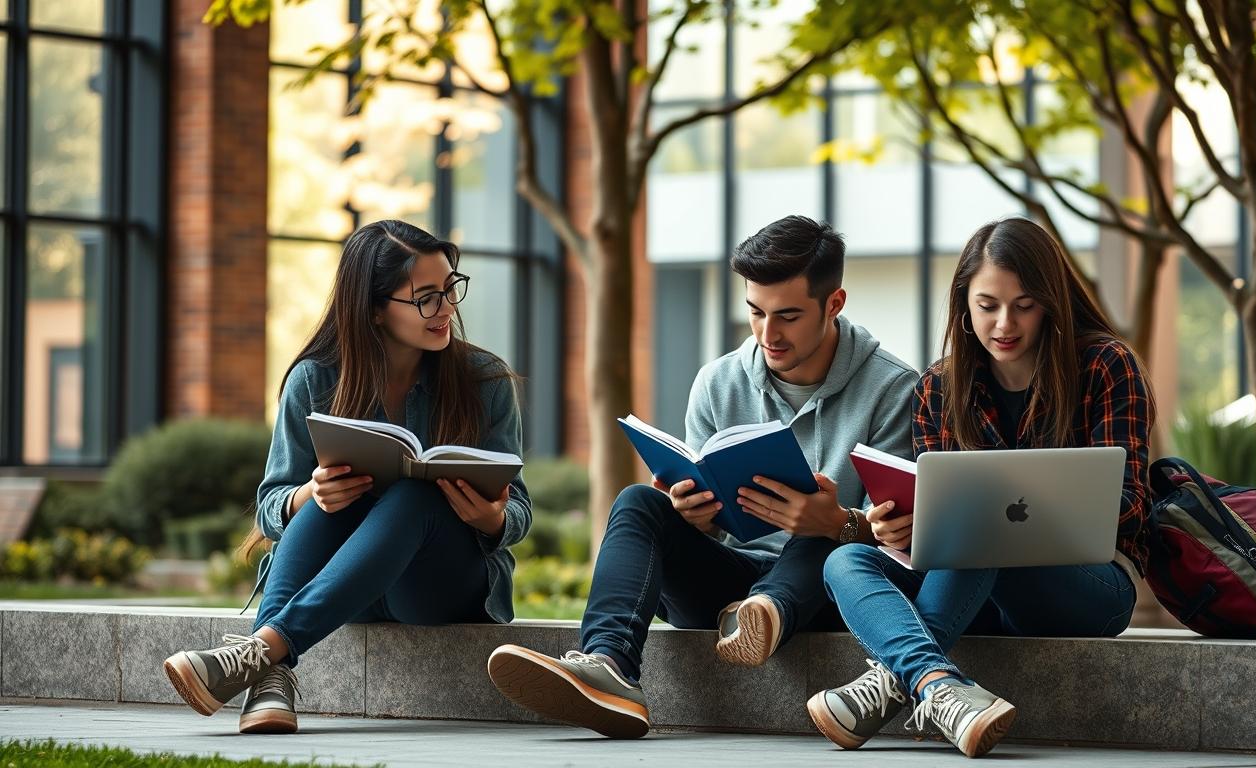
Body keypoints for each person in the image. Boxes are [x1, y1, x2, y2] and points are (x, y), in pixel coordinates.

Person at [487, 215, 920, 738]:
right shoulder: (718, 382)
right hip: (726, 599)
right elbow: (709, 522)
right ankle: (608, 669)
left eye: (787, 316)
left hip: (824, 595)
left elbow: (904, 545)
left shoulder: (894, 388)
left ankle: (766, 610)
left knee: (821, 538)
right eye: (755, 312)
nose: (767, 334)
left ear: (834, 303)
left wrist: (840, 523)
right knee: (637, 502)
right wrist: (692, 514)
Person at [162, 220, 531, 734]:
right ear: (375, 309)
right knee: (321, 502)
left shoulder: (485, 380)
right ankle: (270, 680)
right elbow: (272, 505)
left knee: (412, 496)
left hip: (435, 587)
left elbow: (520, 509)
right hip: (344, 582)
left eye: (450, 289)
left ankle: (262, 654)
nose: (447, 308)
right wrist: (309, 494)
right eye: (425, 297)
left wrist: (493, 519)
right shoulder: (315, 379)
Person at [807, 217, 1153, 758]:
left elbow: (1130, 504)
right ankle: (941, 688)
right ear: (964, 306)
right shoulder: (939, 387)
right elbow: (934, 510)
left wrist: (1018, 515)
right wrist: (898, 524)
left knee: (981, 525)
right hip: (971, 585)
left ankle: (893, 683)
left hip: (1090, 584)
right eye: (987, 305)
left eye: (1024, 304)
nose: (1004, 323)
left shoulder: (1107, 365)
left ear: (1052, 302)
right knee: (843, 562)